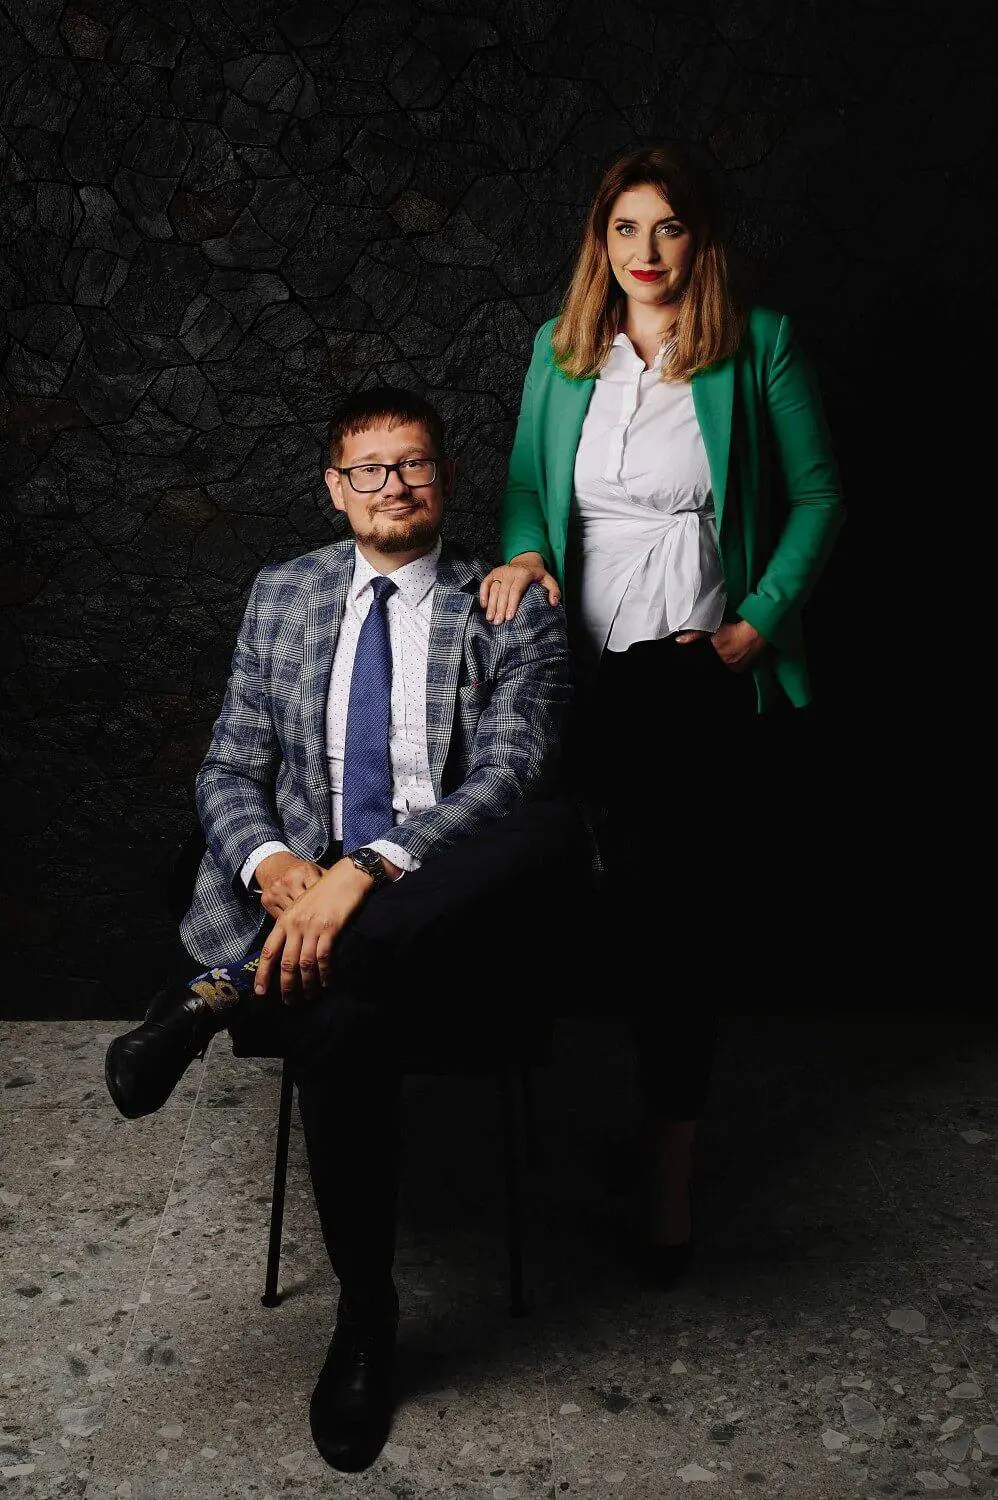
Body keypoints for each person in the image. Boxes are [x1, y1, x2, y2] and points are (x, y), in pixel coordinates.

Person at [104, 388, 588, 1474]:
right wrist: (280, 868)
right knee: (344, 1012)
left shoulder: (508, 603)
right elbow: (230, 765)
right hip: (308, 899)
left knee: (545, 829)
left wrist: (365, 873)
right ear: (335, 489)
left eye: (413, 465)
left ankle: (220, 992)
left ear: (445, 480)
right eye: (369, 470)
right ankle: (367, 1312)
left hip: (448, 900)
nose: (392, 486)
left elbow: (508, 775)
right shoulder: (283, 592)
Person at [479, 143, 845, 1282]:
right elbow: (527, 487)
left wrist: (754, 627)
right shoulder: (561, 348)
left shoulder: (758, 343)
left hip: (689, 674)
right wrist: (523, 553)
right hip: (570, 672)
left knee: (676, 931)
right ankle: (556, 1133)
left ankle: (670, 1175)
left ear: (701, 239)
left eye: (669, 227)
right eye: (625, 227)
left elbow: (819, 496)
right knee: (565, 903)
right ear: (601, 240)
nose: (646, 251)